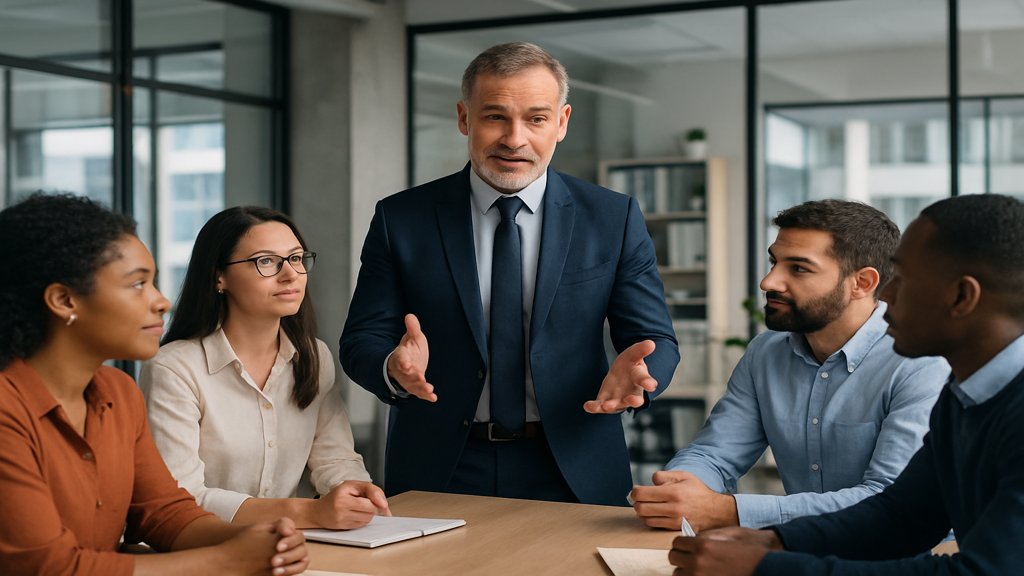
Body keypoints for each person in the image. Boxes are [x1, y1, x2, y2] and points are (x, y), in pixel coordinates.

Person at [339, 41, 679, 506]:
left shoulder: (611, 217)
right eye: (495, 116)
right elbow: (362, 338)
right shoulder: (402, 218)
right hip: (440, 465)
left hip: (572, 464)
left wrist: (642, 373)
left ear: (561, 123)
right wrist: (392, 369)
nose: (514, 138)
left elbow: (654, 337)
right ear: (464, 118)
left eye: (536, 119)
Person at [669, 193, 1024, 575]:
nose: (884, 294)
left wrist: (766, 568)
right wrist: (775, 541)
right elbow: (900, 517)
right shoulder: (965, 394)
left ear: (961, 296)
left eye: (902, 279)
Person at [0, 193, 309, 575]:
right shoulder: (6, 408)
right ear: (64, 300)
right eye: (137, 285)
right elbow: (48, 567)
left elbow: (164, 512)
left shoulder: (117, 391)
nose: (161, 301)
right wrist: (227, 559)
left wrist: (256, 539)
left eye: (155, 283)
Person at [633, 200, 949, 531]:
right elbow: (715, 454)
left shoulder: (922, 362)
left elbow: (889, 500)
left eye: (798, 268)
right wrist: (679, 488)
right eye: (774, 262)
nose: (769, 282)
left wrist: (728, 511)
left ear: (863, 283)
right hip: (806, 549)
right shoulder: (765, 353)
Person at [139, 206, 389, 529]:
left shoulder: (314, 355)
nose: (290, 275)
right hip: (205, 551)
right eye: (266, 261)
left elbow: (334, 457)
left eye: (297, 258)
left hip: (292, 546)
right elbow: (181, 496)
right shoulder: (175, 368)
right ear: (219, 277)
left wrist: (356, 491)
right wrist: (307, 513)